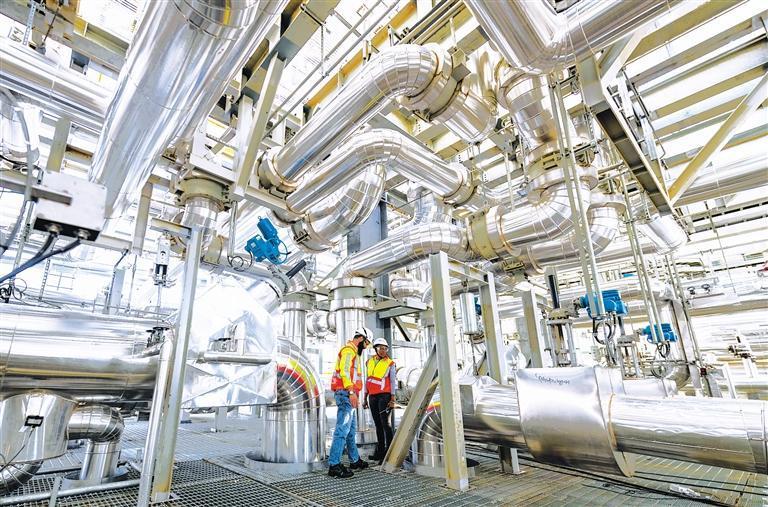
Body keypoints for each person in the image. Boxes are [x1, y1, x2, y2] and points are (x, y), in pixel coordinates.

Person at [328, 327, 371, 478]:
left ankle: (354, 460)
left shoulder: (354, 353)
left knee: (350, 431)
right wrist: (352, 392)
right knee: (342, 430)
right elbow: (344, 371)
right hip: (346, 393)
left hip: (349, 394)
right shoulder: (348, 351)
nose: (366, 347)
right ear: (361, 338)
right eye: (366, 343)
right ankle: (334, 465)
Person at [363, 337, 396, 463]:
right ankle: (380, 452)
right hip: (372, 396)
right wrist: (365, 397)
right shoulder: (369, 362)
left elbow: (392, 382)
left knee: (385, 424)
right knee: (377, 424)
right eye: (380, 348)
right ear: (375, 349)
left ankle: (389, 454)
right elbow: (368, 379)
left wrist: (392, 398)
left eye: (385, 348)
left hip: (384, 396)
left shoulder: (390, 363)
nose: (383, 351)